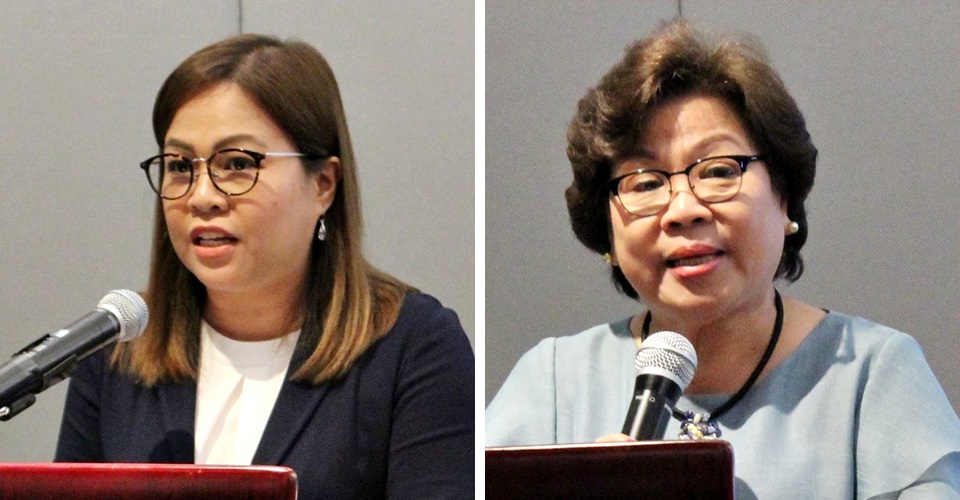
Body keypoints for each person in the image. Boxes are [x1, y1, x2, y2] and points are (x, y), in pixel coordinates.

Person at [485, 18, 960, 498]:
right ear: (607, 230)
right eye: (645, 183)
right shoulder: (551, 383)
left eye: (717, 171)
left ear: (785, 197)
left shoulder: (872, 374)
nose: (683, 209)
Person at [55, 34, 474, 499]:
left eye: (236, 163)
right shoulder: (115, 350)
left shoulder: (413, 347)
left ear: (324, 185)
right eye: (179, 166)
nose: (202, 196)